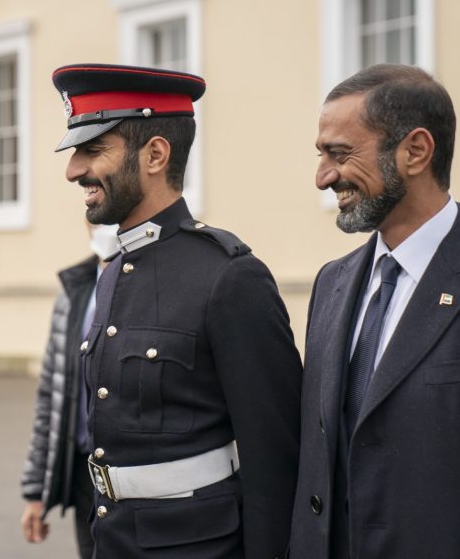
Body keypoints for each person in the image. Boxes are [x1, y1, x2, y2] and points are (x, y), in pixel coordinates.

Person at [51, 63, 302, 558]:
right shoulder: (111, 274)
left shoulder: (228, 277)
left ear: (156, 154)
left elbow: (277, 462)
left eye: (93, 149)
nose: (73, 169)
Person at [290, 64, 460, 558]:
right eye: (321, 155)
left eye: (340, 154)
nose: (323, 177)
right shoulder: (331, 283)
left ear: (416, 151)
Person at [20, 222, 119, 559]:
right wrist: (36, 492)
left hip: (133, 474)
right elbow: (51, 392)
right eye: (94, 216)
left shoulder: (151, 281)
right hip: (84, 470)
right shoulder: (74, 290)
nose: (103, 226)